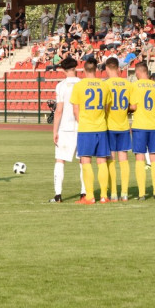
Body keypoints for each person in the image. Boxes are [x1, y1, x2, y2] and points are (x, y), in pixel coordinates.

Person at [70, 59, 108, 204]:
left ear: (84, 70)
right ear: (96, 70)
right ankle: (104, 196)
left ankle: (90, 196)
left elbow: (75, 110)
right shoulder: (104, 86)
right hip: (101, 127)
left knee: (85, 160)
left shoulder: (79, 86)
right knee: (102, 160)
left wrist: (84, 122)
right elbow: (106, 107)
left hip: (86, 128)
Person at [50, 57, 84, 203]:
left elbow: (59, 110)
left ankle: (58, 195)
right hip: (83, 126)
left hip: (65, 128)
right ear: (76, 67)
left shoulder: (61, 86)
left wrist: (54, 131)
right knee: (84, 161)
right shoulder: (83, 84)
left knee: (60, 160)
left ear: (63, 69)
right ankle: (85, 192)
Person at [128, 61, 155, 200]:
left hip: (140, 126)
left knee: (140, 158)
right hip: (154, 126)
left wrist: (128, 109)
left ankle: (142, 193)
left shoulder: (134, 86)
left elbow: (133, 107)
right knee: (154, 159)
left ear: (138, 72)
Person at [102, 57, 131, 202]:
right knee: (124, 159)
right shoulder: (128, 84)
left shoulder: (105, 84)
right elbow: (132, 106)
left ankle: (113, 192)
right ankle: (124, 193)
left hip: (109, 126)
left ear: (107, 68)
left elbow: (103, 106)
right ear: (118, 68)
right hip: (124, 125)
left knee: (110, 159)